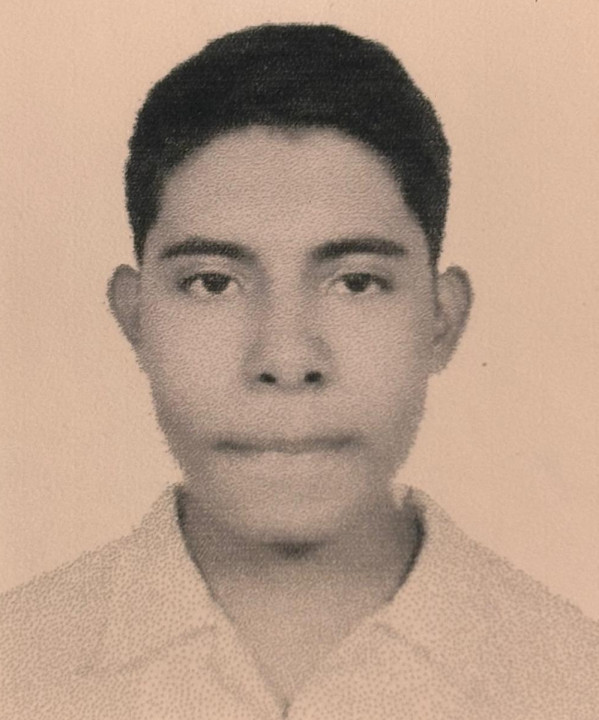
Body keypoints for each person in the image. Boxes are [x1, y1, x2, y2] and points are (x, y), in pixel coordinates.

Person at [2, 23, 598, 720]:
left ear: (441, 319)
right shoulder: (16, 669)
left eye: (356, 283)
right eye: (212, 283)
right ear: (136, 318)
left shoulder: (575, 682)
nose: (285, 361)